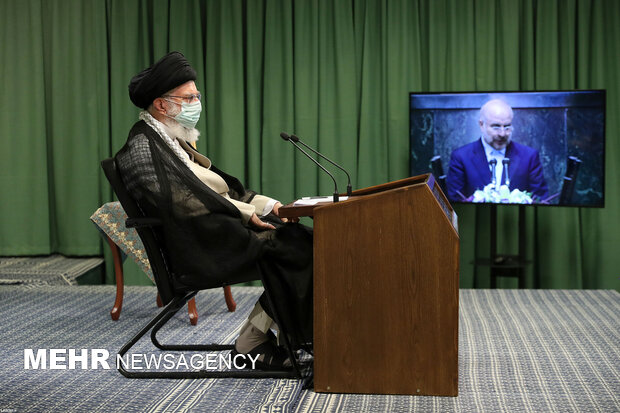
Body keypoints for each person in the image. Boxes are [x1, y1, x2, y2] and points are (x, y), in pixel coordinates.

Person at [115, 51, 312, 370]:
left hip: (219, 232)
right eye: (189, 97)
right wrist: (249, 215)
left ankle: (260, 337)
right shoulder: (141, 147)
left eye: (197, 95)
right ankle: (260, 341)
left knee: (301, 241)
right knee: (295, 245)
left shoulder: (169, 138)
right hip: (200, 247)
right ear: (162, 104)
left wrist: (270, 205)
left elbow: (224, 190)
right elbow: (184, 202)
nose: (196, 103)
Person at [446, 99, 549, 202]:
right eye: (496, 126)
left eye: (507, 126)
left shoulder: (529, 157)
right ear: (482, 125)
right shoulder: (461, 157)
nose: (502, 134)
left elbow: (540, 200)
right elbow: (455, 202)